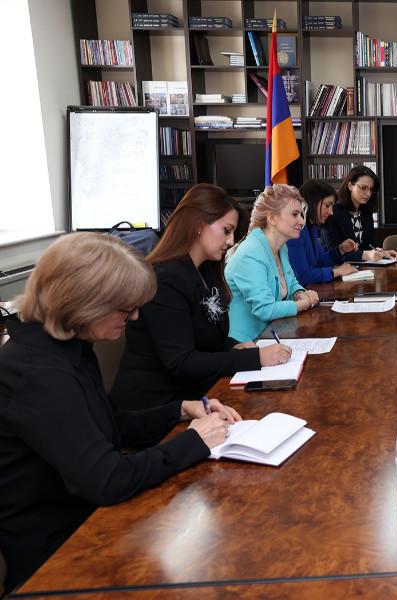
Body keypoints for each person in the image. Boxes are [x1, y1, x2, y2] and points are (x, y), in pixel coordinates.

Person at [0, 233, 240, 591]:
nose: (136, 316)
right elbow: (107, 479)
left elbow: (106, 424)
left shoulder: (69, 347)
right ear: (85, 304)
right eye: (126, 309)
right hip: (56, 555)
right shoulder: (37, 373)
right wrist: (193, 442)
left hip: (90, 521)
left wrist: (179, 410)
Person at [110, 184, 293, 413]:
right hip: (155, 407)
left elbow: (206, 340)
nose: (231, 241)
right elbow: (181, 362)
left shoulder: (205, 271)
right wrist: (254, 358)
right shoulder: (165, 280)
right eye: (226, 230)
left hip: (196, 393)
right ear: (198, 224)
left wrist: (234, 346)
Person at [225, 184, 320, 342]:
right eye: (295, 214)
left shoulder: (281, 247)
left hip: (272, 336)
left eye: (301, 215)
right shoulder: (250, 253)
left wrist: (300, 293)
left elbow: (291, 282)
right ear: (272, 218)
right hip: (246, 344)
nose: (302, 221)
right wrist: (304, 303)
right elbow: (265, 309)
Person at [286, 180, 360, 285]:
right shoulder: (295, 231)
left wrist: (340, 250)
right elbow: (302, 276)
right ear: (312, 203)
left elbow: (319, 261)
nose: (331, 212)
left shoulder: (311, 227)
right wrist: (336, 272)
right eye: (327, 205)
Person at [323, 166, 397, 263]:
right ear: (350, 186)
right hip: (336, 269)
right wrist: (366, 255)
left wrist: (382, 253)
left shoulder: (366, 212)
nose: (368, 194)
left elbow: (370, 246)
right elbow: (333, 253)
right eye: (363, 188)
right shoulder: (332, 212)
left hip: (363, 268)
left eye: (371, 189)